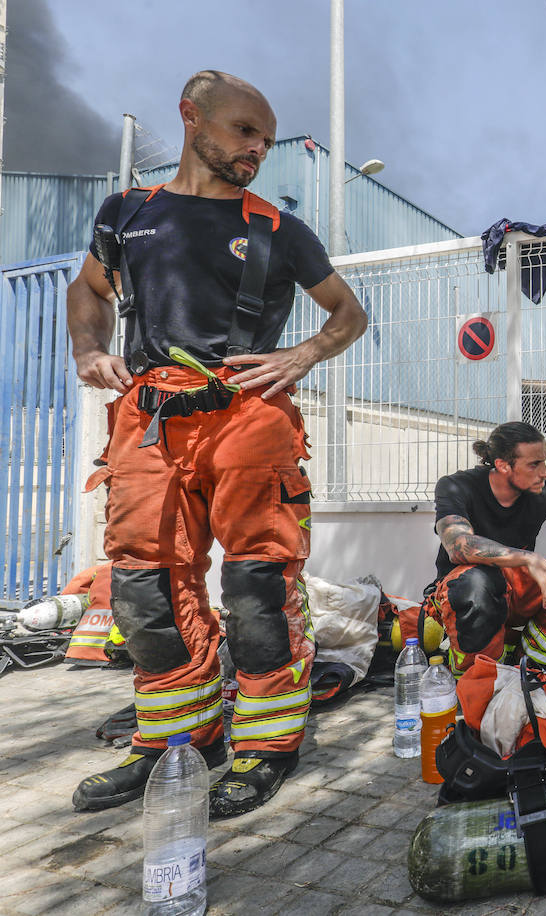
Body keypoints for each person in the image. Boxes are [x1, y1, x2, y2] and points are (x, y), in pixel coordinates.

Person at [68, 71, 368, 817]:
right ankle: (179, 739)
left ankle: (268, 746)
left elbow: (347, 313)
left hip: (249, 416)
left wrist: (300, 356)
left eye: (264, 140)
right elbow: (88, 291)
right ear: (191, 116)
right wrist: (87, 347)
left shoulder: (278, 228)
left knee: (259, 588)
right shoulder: (125, 214)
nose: (258, 150)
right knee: (144, 589)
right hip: (148, 419)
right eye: (244, 132)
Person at [430, 422, 546, 674]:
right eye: (534, 464)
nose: (544, 472)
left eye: (544, 462)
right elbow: (458, 545)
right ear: (503, 465)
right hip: (465, 593)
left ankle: (531, 663)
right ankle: (477, 677)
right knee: (476, 581)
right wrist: (529, 559)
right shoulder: (456, 485)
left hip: (516, 591)